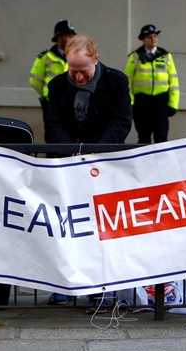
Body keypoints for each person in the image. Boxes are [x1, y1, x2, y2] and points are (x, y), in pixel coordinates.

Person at [45, 34, 132, 307]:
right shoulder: (57, 85)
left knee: (102, 228)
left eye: (83, 71)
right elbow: (53, 124)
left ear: (96, 59)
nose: (78, 77)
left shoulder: (116, 81)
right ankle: (64, 285)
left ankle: (102, 287)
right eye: (73, 71)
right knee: (65, 227)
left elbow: (121, 122)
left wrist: (95, 152)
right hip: (67, 163)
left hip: (104, 163)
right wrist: (73, 151)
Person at [125, 24, 180, 143]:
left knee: (161, 138)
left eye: (155, 36)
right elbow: (128, 82)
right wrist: (131, 103)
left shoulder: (166, 56)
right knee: (143, 138)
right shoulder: (135, 57)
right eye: (149, 37)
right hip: (141, 103)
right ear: (143, 40)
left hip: (160, 102)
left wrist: (173, 104)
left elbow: (174, 82)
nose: (153, 39)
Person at [29, 20, 75, 142]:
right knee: (52, 134)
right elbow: (35, 80)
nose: (71, 38)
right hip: (52, 103)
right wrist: (46, 95)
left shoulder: (76, 56)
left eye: (72, 35)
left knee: (72, 134)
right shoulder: (45, 57)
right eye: (68, 35)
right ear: (59, 37)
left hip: (72, 102)